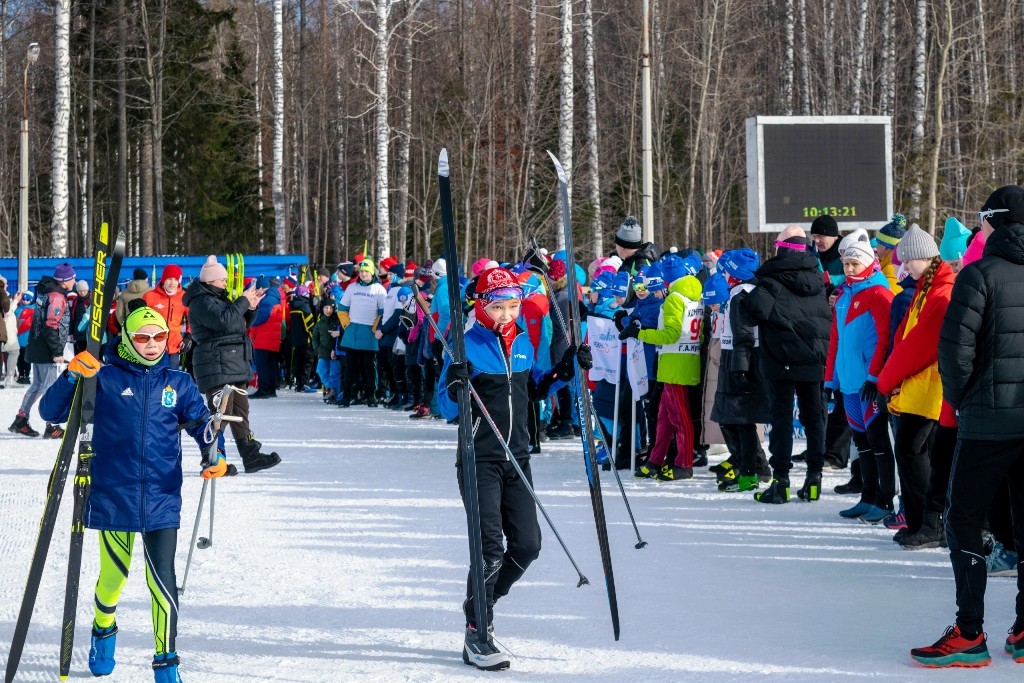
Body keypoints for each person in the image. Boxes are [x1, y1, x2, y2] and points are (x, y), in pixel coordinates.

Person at [38, 306, 222, 683]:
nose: (152, 345)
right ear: (126, 339)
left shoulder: (179, 383)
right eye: (142, 337)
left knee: (162, 582)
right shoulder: (102, 378)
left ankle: (166, 664)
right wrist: (73, 377)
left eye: (159, 337)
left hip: (161, 495)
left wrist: (214, 452)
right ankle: (103, 631)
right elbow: (49, 412)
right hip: (113, 494)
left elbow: (203, 426)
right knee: (113, 579)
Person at [439, 266, 590, 671]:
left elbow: (537, 387)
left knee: (527, 546)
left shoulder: (523, 340)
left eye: (512, 306)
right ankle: (478, 632)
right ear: (482, 307)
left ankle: (480, 602)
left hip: (517, 457)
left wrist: (568, 368)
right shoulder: (465, 345)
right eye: (498, 307)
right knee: (489, 551)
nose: (507, 315)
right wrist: (457, 383)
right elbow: (444, 405)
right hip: (479, 460)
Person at [913, 185, 1024, 667]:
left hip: (987, 422)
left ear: (994, 222)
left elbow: (954, 353)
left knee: (963, 520)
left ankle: (969, 632)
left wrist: (963, 402)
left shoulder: (978, 274)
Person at [741, 226, 832, 502]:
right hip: (816, 356)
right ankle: (814, 480)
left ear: (779, 248)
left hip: (781, 359)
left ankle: (781, 483)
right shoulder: (817, 278)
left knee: (781, 420)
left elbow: (753, 309)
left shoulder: (770, 279)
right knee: (814, 418)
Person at [876, 225, 953, 542]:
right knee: (916, 452)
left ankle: (927, 524)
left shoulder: (939, 292)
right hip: (919, 386)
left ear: (924, 257)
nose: (904, 267)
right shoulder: (928, 288)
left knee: (911, 451)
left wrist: (886, 381)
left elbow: (916, 346)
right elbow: (904, 337)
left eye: (908, 261)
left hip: (929, 388)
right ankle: (923, 522)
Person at [182, 255, 280, 473]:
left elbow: (239, 324)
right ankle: (213, 459)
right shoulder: (201, 301)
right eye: (222, 279)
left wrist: (251, 307)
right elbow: (223, 321)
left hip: (233, 361)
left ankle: (250, 456)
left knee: (240, 412)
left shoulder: (218, 299)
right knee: (220, 415)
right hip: (215, 363)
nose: (226, 282)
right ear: (210, 281)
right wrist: (243, 301)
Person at [824, 241, 896, 523]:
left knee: (878, 442)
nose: (850, 268)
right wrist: (830, 381)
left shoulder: (879, 293)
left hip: (870, 386)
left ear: (868, 262)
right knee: (862, 443)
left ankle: (886, 499)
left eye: (855, 263)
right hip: (850, 386)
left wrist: (875, 377)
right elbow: (835, 343)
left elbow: (885, 340)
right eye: (846, 264)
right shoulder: (843, 297)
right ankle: (867, 497)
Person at [624, 269, 702, 481]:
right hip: (678, 362)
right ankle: (655, 460)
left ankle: (684, 464)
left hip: (674, 364)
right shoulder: (694, 297)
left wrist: (640, 333)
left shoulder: (674, 299)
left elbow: (671, 334)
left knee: (679, 416)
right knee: (664, 417)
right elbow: (699, 334)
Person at [10, 262, 77, 438]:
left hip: (39, 346)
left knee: (38, 385)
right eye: (72, 277)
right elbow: (50, 325)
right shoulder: (56, 296)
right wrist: (57, 352)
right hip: (47, 350)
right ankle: (51, 425)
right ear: (65, 280)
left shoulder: (47, 291)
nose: (75, 279)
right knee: (50, 388)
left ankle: (21, 419)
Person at [338, 259, 387, 407]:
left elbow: (383, 312)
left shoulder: (379, 289)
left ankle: (371, 396)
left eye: (367, 271)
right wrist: (347, 325)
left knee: (369, 367)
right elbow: (342, 309)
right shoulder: (352, 288)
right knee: (350, 367)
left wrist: (376, 328)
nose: (364, 274)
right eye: (361, 271)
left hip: (369, 333)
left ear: (372, 272)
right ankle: (347, 397)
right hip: (352, 331)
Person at [142, 265, 188, 368]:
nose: (172, 283)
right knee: (154, 378)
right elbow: (140, 319)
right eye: (169, 279)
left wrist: (188, 336)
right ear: (163, 279)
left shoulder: (184, 298)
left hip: (174, 346)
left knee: (171, 378)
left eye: (176, 279)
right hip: (153, 346)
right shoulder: (149, 296)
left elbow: (192, 319)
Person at [248, 276, 284, 398]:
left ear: (262, 288)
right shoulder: (275, 298)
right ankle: (271, 388)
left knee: (263, 365)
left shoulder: (267, 300)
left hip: (264, 338)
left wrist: (249, 319)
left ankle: (264, 388)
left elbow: (262, 317)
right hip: (272, 338)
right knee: (271, 365)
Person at [287, 284, 315, 392]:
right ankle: (305, 383)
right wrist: (313, 337)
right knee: (307, 362)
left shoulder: (293, 306)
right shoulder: (304, 306)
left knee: (297, 362)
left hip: (296, 340)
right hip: (306, 339)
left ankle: (298, 384)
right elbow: (309, 324)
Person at [313, 301, 342, 401]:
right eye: (326, 308)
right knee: (321, 370)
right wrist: (317, 349)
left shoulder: (338, 320)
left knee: (335, 374)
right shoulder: (319, 323)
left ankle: (336, 395)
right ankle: (331, 388)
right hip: (323, 352)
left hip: (335, 352)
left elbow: (342, 332)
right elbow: (315, 337)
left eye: (330, 308)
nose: (328, 311)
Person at [875, 214, 906, 293]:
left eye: (878, 243)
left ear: (884, 246)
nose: (876, 247)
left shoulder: (890, 271)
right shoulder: (900, 265)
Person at [811, 214, 844, 287]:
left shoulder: (847, 255)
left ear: (833, 235)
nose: (816, 240)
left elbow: (857, 277)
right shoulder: (813, 256)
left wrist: (831, 280)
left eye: (820, 236)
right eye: (814, 236)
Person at [15, 291, 34, 383]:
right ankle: (21, 374)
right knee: (19, 358)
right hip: (17, 339)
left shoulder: (33, 310)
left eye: (27, 299)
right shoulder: (18, 309)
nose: (25, 301)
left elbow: (28, 324)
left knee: (26, 358)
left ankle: (26, 375)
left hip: (27, 339)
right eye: (24, 299)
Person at [71, 280, 91, 353]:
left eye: (84, 290)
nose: (82, 293)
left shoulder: (93, 299)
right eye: (80, 291)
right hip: (78, 332)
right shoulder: (75, 301)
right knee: (80, 354)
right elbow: (73, 317)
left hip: (90, 332)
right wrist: (71, 333)